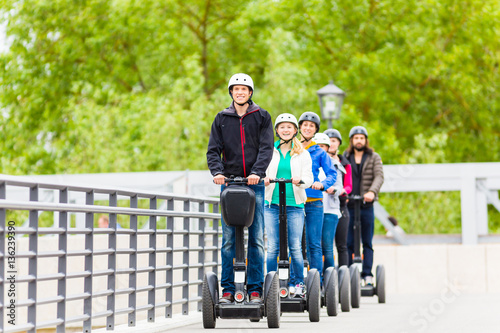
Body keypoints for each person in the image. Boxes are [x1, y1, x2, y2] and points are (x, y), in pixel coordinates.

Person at [206, 73, 274, 304]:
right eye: (236, 89)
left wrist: (257, 172)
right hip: (230, 185)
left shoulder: (262, 116)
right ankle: (227, 289)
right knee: (228, 239)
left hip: (254, 185)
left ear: (250, 93)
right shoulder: (222, 118)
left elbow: (266, 148)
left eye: (244, 89)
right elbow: (213, 149)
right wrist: (217, 173)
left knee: (256, 238)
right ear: (231, 93)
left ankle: (255, 289)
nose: (240, 92)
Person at [264, 113, 313, 297]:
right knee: (273, 247)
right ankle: (271, 286)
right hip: (272, 203)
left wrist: (300, 181)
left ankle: (298, 285)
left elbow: (309, 179)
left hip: (295, 205)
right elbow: (260, 172)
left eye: (289, 127)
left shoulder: (303, 153)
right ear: (277, 130)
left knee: (295, 247)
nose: (286, 130)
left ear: (295, 131)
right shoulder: (269, 151)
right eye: (282, 127)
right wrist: (264, 179)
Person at [298, 112, 337, 278]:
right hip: (295, 201)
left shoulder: (319, 152)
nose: (307, 128)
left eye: (311, 126)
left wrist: (323, 184)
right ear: (299, 127)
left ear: (315, 130)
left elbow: (332, 173)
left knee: (314, 243)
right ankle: (295, 282)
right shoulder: (292, 148)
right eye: (305, 125)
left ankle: (316, 282)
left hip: (314, 201)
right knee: (295, 245)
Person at [343, 126, 384, 285]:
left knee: (367, 241)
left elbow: (379, 177)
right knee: (349, 242)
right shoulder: (345, 157)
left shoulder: (374, 157)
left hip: (366, 205)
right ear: (351, 140)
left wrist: (372, 192)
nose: (358, 141)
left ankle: (367, 274)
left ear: (365, 140)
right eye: (356, 138)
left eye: (361, 138)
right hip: (349, 204)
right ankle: (349, 274)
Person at [314, 133, 343, 274]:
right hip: (313, 208)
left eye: (323, 146)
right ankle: (316, 277)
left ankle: (329, 278)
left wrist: (333, 189)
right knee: (314, 245)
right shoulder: (309, 163)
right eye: (317, 146)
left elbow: (340, 186)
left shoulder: (334, 164)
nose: (320, 148)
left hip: (329, 210)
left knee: (327, 245)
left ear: (327, 148)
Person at [324, 128, 352, 267]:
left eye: (334, 141)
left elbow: (348, 185)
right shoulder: (320, 160)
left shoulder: (344, 163)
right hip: (323, 205)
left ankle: (343, 275)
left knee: (341, 244)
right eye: (328, 141)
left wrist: (339, 191)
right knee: (324, 244)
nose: (331, 143)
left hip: (340, 205)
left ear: (338, 144)